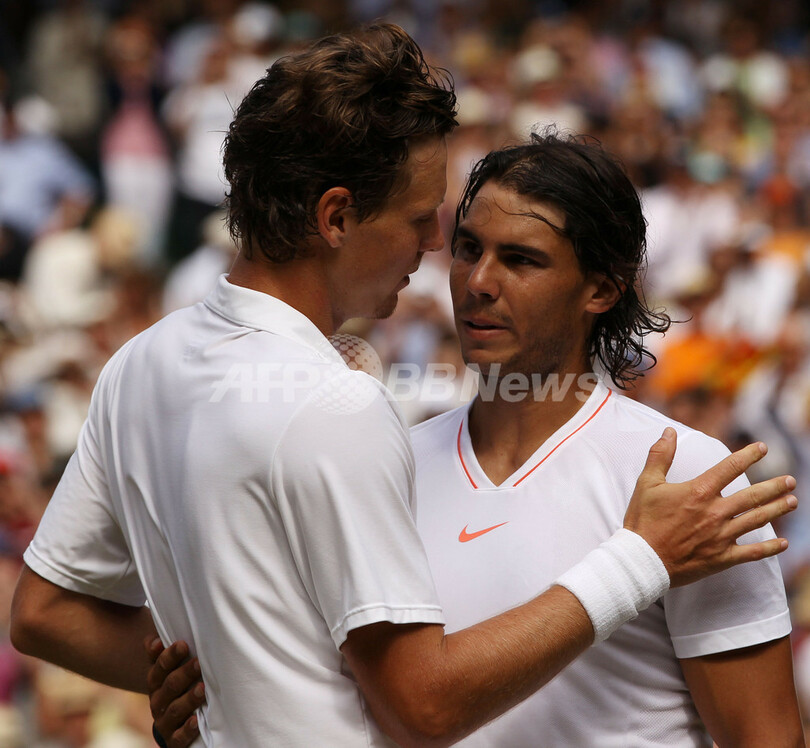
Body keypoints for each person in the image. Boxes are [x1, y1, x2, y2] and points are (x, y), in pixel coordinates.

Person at [9, 25, 797, 748]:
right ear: (337, 217)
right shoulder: (373, 438)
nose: (466, 276)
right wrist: (217, 692)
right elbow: (399, 701)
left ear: (602, 288)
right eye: (459, 242)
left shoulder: (689, 484)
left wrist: (219, 690)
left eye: (520, 260)